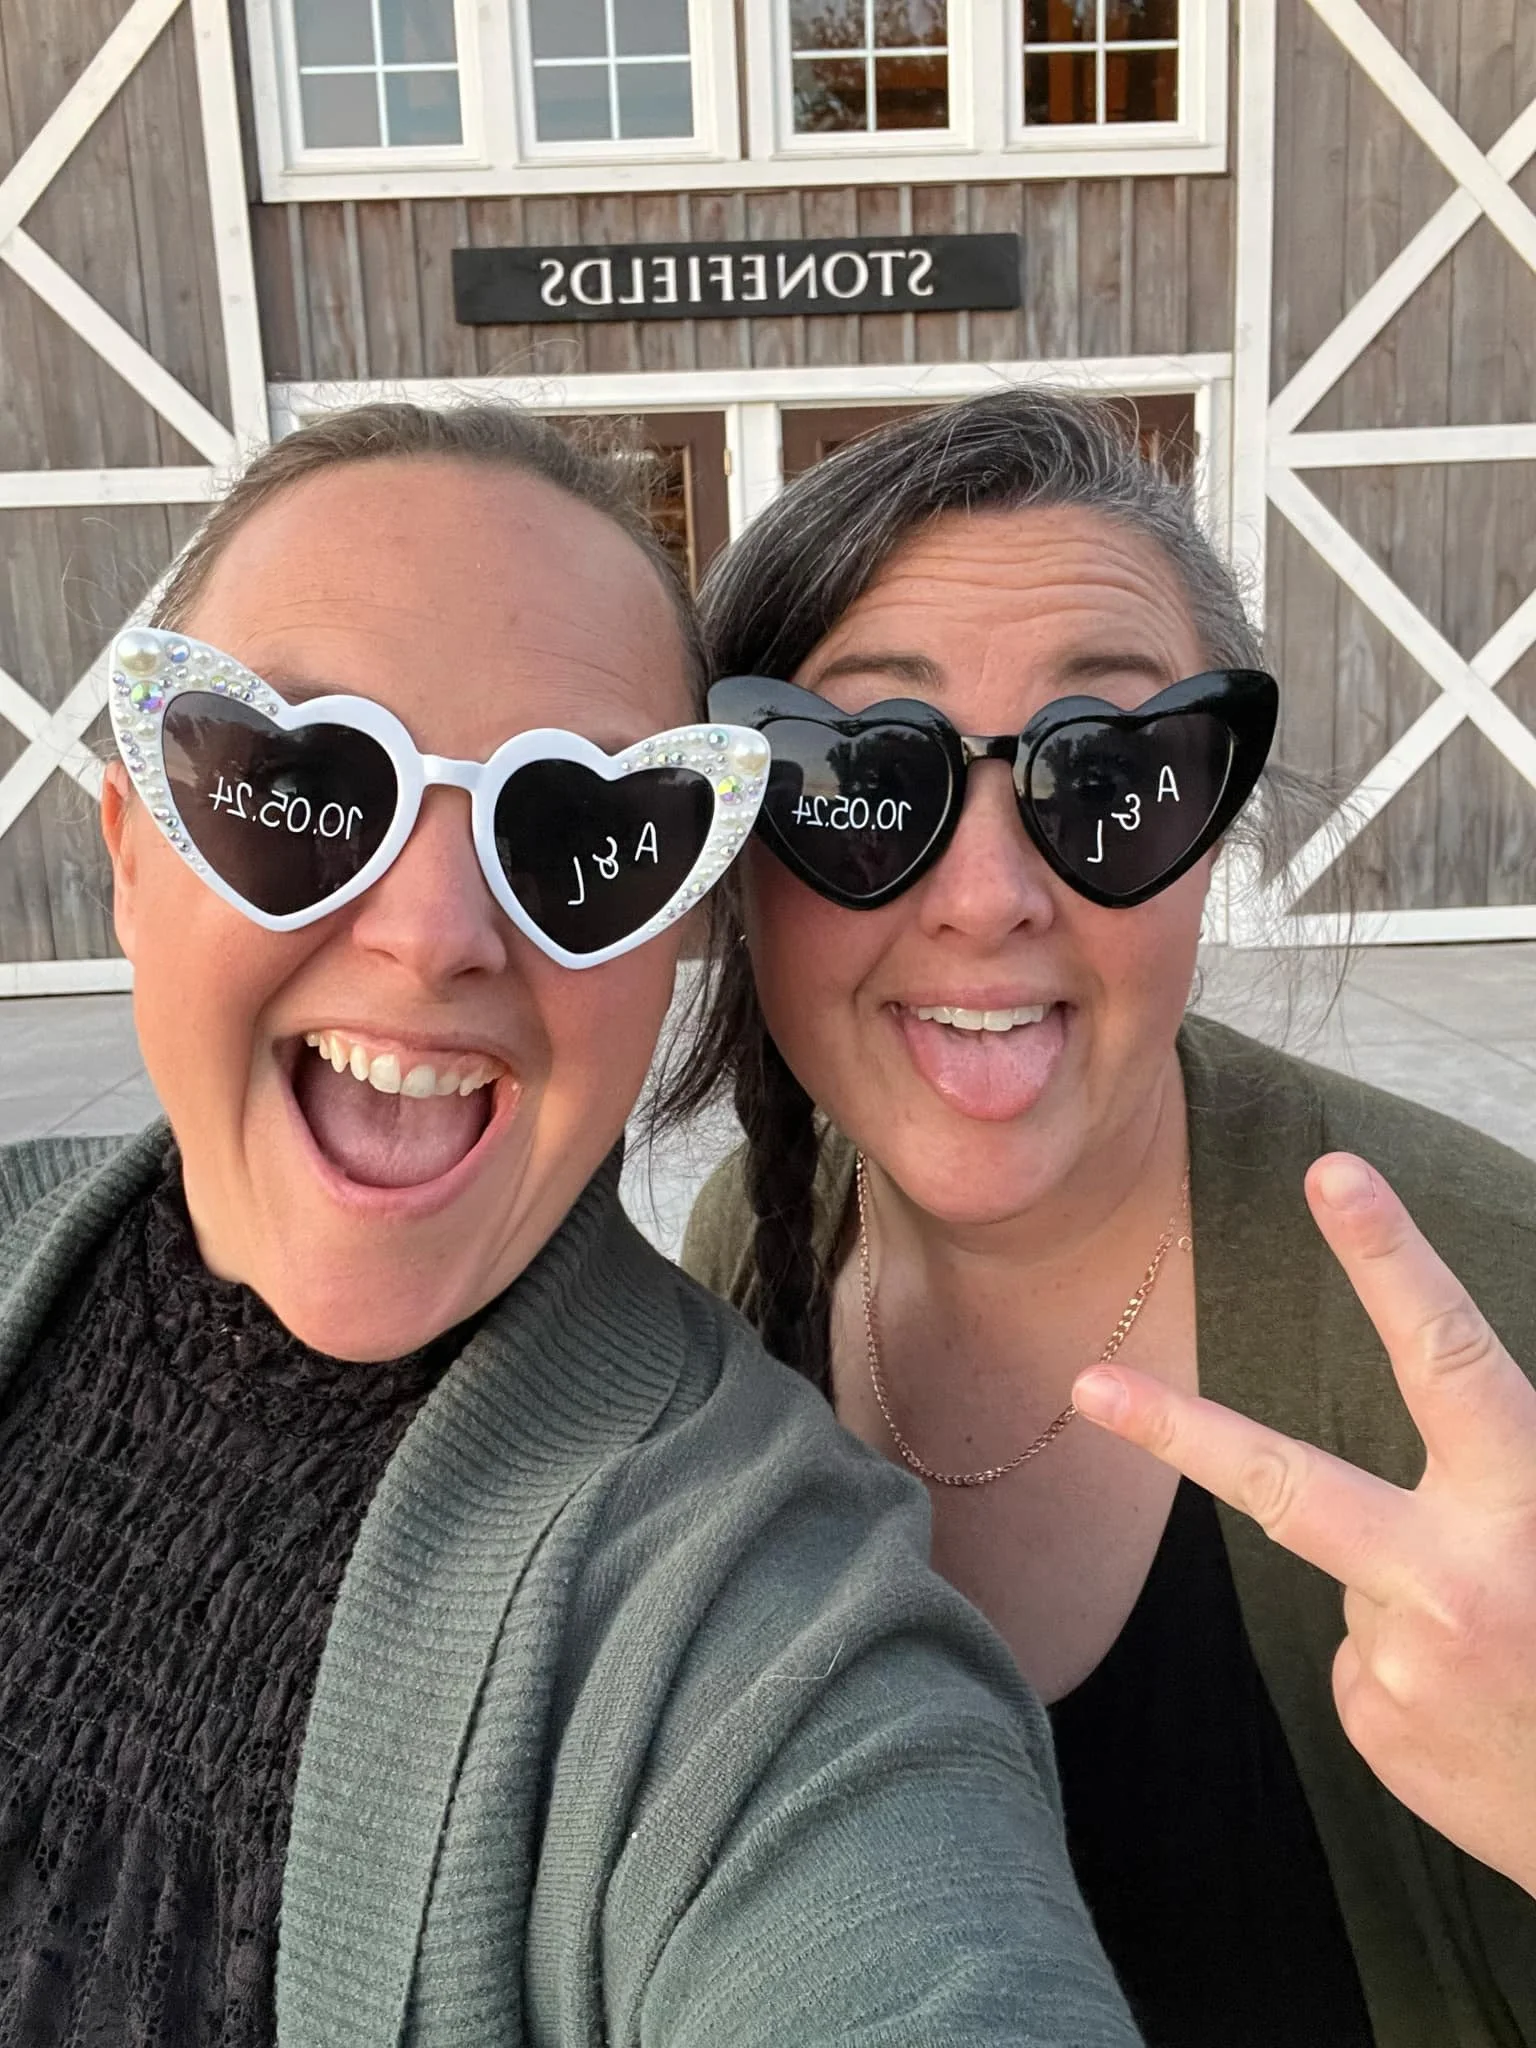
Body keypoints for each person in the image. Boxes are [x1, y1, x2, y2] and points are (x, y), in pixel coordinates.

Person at [0, 399, 1144, 2046]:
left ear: (677, 935)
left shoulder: (757, 1619)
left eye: (579, 841)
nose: (435, 932)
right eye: (311, 789)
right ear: (130, 848)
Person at [679, 387, 1536, 2048]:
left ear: (1212, 835)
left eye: (1110, 776)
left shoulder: (1487, 1320)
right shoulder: (745, 1253)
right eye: (866, 776)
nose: (992, 892)